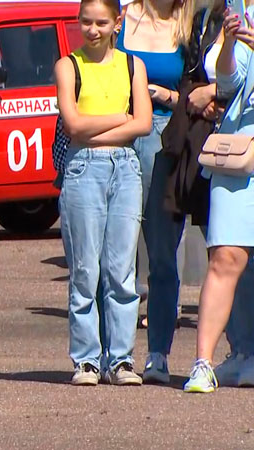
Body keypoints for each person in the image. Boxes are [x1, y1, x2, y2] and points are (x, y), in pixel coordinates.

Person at [55, 0, 152, 386]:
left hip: (125, 169)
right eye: (85, 22)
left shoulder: (132, 65)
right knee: (84, 269)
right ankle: (87, 360)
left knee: (121, 271)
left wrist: (114, 126)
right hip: (83, 169)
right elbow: (74, 125)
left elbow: (143, 124)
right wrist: (118, 119)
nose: (92, 30)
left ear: (117, 22)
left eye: (101, 23)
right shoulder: (69, 65)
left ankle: (121, 359)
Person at [116, 0, 194, 382]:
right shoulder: (118, 16)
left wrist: (161, 95)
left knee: (162, 253)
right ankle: (112, 354)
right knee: (112, 255)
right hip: (114, 134)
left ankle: (158, 353)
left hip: (163, 140)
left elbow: (198, 96)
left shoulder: (189, 23)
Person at [183, 5, 254, 393]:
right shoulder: (239, 11)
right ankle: (203, 365)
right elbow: (228, 84)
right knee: (225, 256)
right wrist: (228, 44)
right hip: (238, 152)